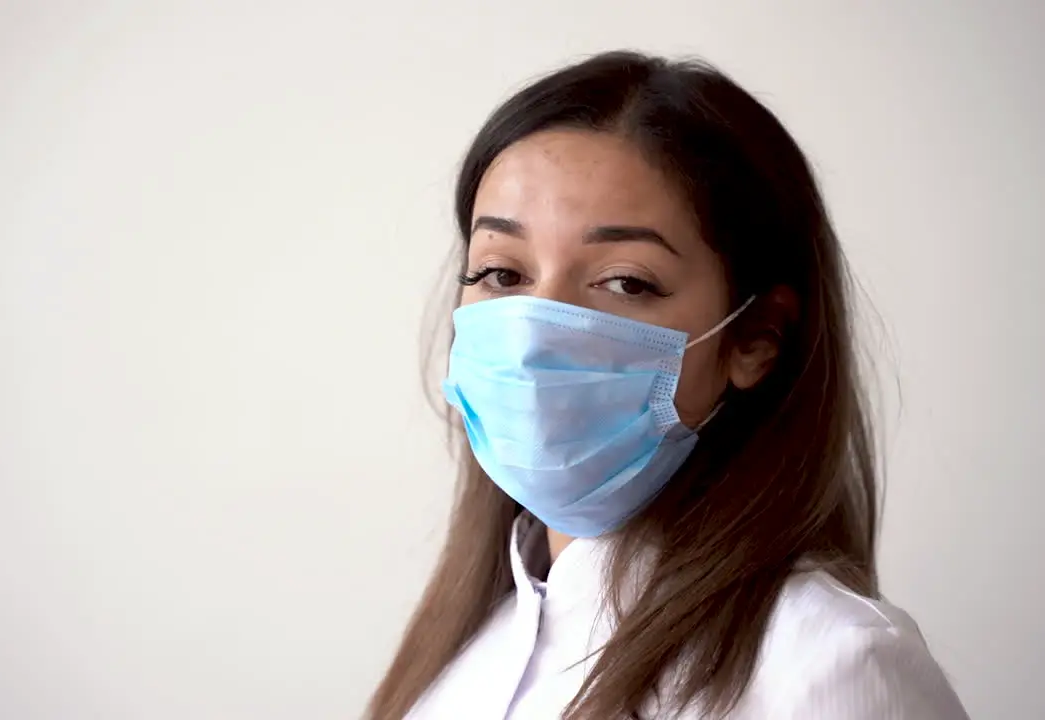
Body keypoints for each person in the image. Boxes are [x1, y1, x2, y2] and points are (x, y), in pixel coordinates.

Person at [367, 50, 968, 720]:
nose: (536, 331)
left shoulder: (829, 665)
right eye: (503, 274)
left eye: (627, 281)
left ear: (756, 338)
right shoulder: (464, 655)